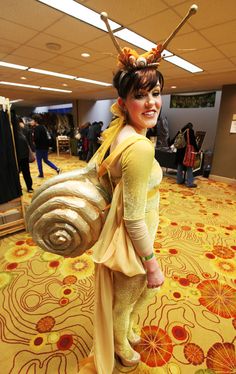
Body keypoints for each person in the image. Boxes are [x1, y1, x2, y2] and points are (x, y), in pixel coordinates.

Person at [79, 41, 165, 374]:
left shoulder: (121, 132)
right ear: (122, 102)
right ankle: (119, 343)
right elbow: (133, 217)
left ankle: (126, 328)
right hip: (133, 240)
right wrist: (151, 262)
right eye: (140, 96)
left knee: (134, 295)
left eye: (155, 92)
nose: (151, 103)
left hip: (133, 233)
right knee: (129, 297)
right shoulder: (139, 147)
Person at [172, 122, 199, 187]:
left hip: (180, 151)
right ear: (191, 127)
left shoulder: (181, 130)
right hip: (187, 152)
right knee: (189, 166)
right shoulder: (190, 131)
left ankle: (179, 180)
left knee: (180, 166)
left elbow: (174, 139)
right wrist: (197, 149)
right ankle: (189, 183)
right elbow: (193, 142)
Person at [15, 118, 34, 193]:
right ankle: (26, 187)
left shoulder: (24, 130)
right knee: (23, 172)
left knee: (24, 172)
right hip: (21, 155)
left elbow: (29, 142)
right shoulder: (18, 131)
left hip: (22, 155)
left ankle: (29, 187)